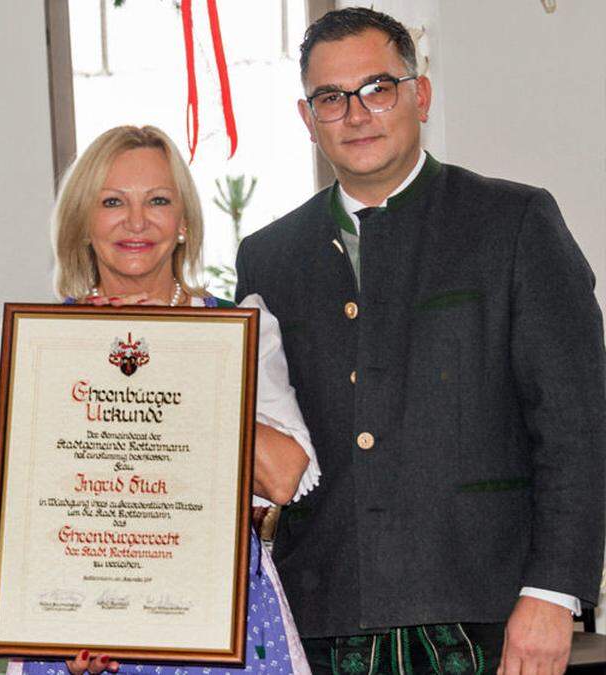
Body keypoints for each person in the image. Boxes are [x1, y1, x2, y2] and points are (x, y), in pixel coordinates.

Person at [234, 8, 606, 674]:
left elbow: (578, 426)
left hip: (487, 616)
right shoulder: (267, 256)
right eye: (331, 98)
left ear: (421, 94)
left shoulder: (514, 221)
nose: (356, 113)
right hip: (322, 615)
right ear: (306, 116)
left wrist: (552, 591)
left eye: (378, 88)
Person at [0, 125, 319, 674]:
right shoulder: (38, 344)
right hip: (82, 636)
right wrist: (61, 629)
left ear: (183, 223)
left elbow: (280, 478)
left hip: (220, 631)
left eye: (158, 200)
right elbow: (2, 524)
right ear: (84, 222)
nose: (136, 221)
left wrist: (177, 357)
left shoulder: (238, 328)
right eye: (112, 202)